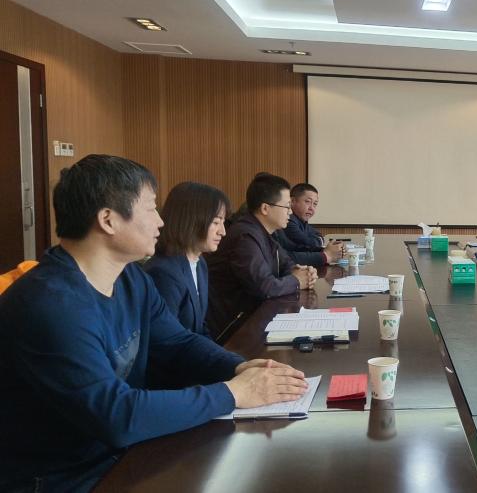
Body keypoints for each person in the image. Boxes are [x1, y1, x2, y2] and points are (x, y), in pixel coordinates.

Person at [0, 155, 308, 492]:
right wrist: (233, 392)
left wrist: (240, 367)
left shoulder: (131, 278)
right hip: (61, 478)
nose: (161, 221)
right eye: (151, 208)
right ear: (108, 220)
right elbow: (117, 414)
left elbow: (178, 342)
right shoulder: (50, 305)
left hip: (120, 454)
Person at [207, 174, 319, 339]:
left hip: (253, 317)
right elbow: (264, 287)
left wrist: (303, 272)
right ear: (265, 208)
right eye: (286, 206)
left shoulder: (265, 232)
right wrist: (297, 281)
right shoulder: (245, 236)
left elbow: (286, 262)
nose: (290, 212)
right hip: (234, 328)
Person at [145, 182, 229, 338]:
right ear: (191, 221)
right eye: (216, 222)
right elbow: (168, 339)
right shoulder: (163, 272)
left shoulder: (200, 263)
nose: (222, 232)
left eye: (223, 223)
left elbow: (200, 326)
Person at [274, 182, 345, 266]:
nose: (312, 208)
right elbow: (305, 245)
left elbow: (306, 244)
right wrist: (326, 254)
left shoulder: (302, 221)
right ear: (292, 201)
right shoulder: (289, 220)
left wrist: (331, 251)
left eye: (315, 204)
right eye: (307, 202)